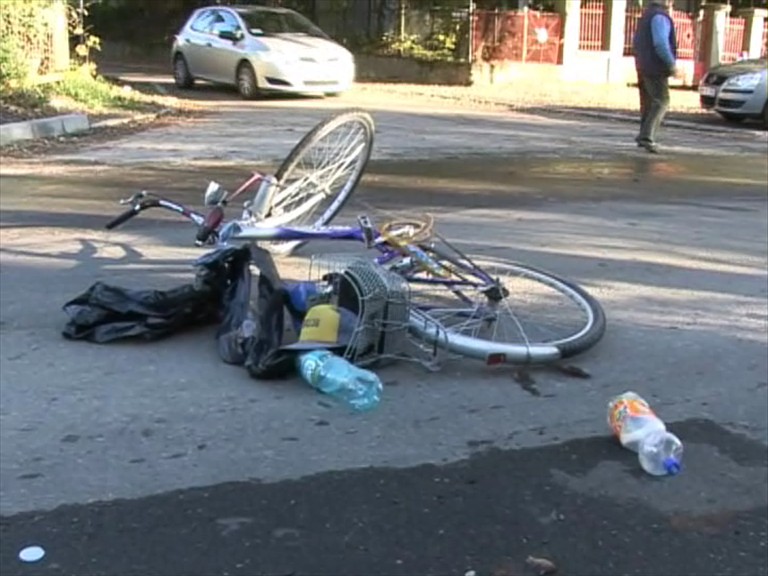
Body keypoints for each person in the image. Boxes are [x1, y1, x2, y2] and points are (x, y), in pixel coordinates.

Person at [632, 0, 678, 154]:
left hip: (642, 64)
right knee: (661, 100)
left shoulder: (646, 16)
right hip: (655, 67)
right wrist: (671, 65)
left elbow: (636, 41)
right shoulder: (660, 17)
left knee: (648, 102)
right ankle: (647, 137)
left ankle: (644, 136)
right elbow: (661, 44)